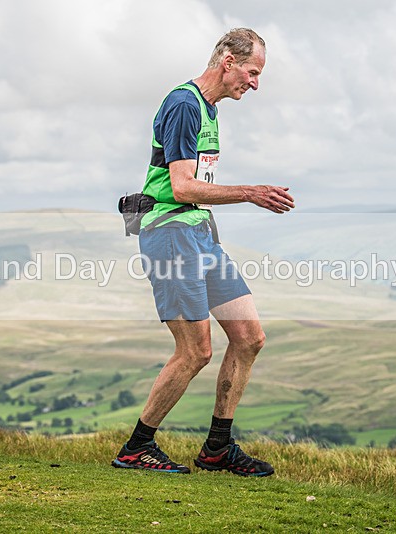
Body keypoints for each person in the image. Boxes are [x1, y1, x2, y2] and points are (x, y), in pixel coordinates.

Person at [112, 28, 294, 477]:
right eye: (252, 72)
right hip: (169, 233)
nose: (255, 84)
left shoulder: (210, 111)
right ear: (228, 61)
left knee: (249, 337)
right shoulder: (183, 104)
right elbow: (181, 186)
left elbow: (197, 189)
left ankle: (217, 448)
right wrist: (251, 192)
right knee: (195, 351)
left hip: (199, 234)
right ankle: (137, 448)